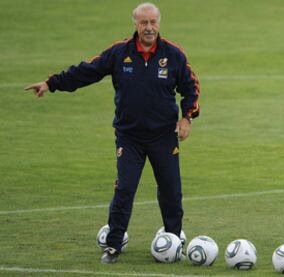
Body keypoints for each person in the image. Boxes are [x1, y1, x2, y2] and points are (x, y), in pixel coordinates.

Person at [25, 2, 200, 264]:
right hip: (129, 137)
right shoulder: (120, 53)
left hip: (163, 135)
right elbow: (87, 71)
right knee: (124, 189)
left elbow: (191, 87)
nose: (149, 28)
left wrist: (187, 118)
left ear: (159, 23)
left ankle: (173, 241)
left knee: (171, 191)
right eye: (144, 23)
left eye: (153, 22)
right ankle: (113, 246)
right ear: (135, 25)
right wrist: (52, 83)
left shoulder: (174, 54)